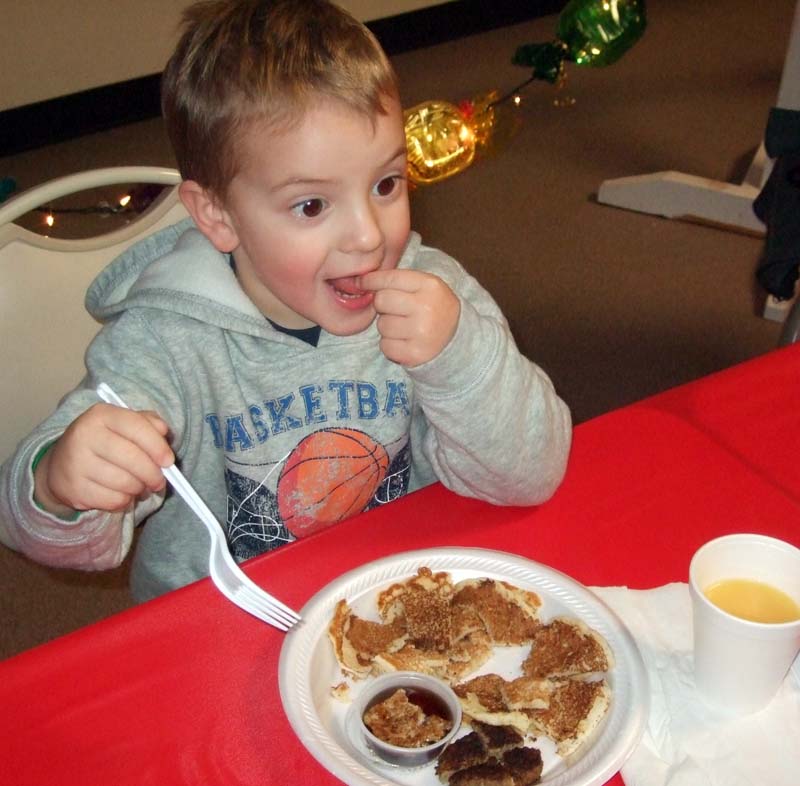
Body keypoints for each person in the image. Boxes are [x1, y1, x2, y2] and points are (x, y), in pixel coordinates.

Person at [0, 0, 571, 602]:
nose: (369, 236)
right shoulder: (163, 344)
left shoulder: (436, 298)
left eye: (386, 184)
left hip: (405, 598)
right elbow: (58, 539)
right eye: (312, 205)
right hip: (223, 619)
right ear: (218, 217)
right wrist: (58, 484)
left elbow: (531, 475)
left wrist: (459, 357)